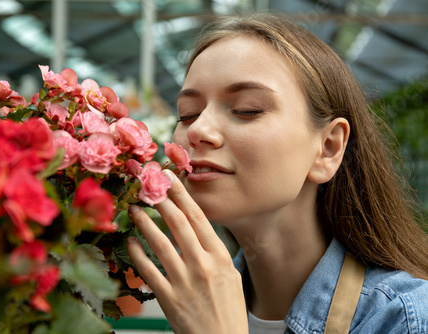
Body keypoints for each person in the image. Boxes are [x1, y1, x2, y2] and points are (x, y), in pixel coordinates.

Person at [126, 13, 428, 334]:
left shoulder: (404, 319)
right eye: (187, 114)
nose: (198, 129)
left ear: (327, 148)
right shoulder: (193, 301)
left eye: (247, 109)